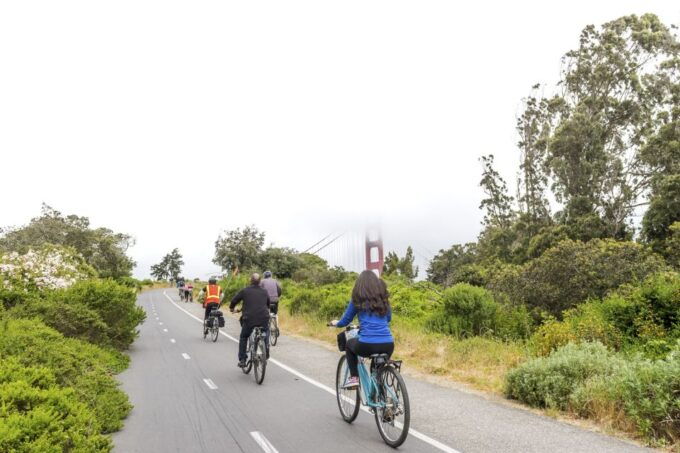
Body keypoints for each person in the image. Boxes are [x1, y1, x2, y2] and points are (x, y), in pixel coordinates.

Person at [330, 270, 394, 389]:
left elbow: (345, 321)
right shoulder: (384, 300)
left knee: (349, 345)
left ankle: (354, 378)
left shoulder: (357, 299)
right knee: (376, 370)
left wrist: (336, 323)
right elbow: (388, 319)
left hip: (367, 345)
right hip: (388, 344)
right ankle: (381, 399)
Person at [230, 273, 271, 367]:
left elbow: (234, 300)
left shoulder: (245, 291)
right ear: (260, 281)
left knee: (244, 337)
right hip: (264, 318)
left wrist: (232, 308)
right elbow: (268, 303)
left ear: (250, 281)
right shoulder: (264, 291)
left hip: (249, 319)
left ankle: (243, 360)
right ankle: (266, 351)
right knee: (265, 332)